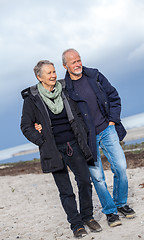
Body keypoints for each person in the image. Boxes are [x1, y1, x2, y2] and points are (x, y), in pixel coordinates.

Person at [20, 60, 102, 238]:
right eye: (48, 73)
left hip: (74, 144)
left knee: (85, 182)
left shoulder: (64, 90)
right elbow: (26, 126)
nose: (53, 75)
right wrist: (41, 140)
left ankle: (87, 216)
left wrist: (84, 131)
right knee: (66, 190)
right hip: (53, 149)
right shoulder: (32, 100)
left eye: (54, 71)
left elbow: (78, 113)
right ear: (39, 77)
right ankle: (76, 225)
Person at [62, 48, 136, 227]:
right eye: (73, 62)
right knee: (98, 178)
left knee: (120, 167)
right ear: (65, 66)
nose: (78, 64)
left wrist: (112, 120)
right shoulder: (64, 89)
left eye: (79, 60)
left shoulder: (94, 75)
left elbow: (113, 96)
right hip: (87, 139)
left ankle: (121, 204)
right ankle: (110, 212)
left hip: (107, 129)